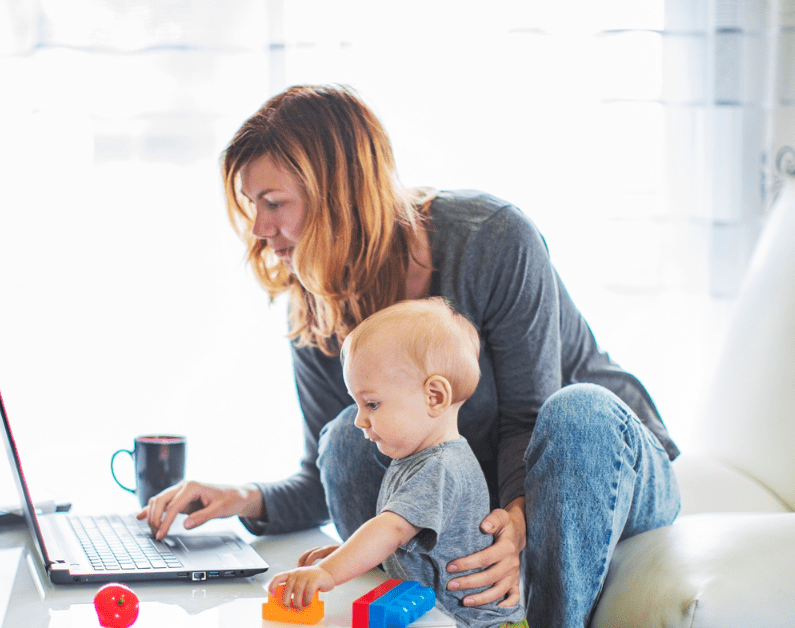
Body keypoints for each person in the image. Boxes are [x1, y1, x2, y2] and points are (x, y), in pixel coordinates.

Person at [139, 84, 681, 628]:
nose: (258, 228)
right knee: (346, 438)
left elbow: (530, 419)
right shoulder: (318, 300)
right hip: (474, 489)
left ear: (339, 192)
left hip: (596, 460)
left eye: (274, 202)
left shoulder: (491, 238)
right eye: (252, 204)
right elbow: (323, 473)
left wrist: (517, 519)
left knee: (577, 411)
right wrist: (239, 498)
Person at [268, 297, 529, 628]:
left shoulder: (443, 467)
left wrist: (328, 572)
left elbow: (391, 529)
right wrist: (344, 557)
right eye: (358, 404)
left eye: (372, 404)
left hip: (477, 624)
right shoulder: (416, 458)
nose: (360, 420)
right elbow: (409, 548)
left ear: (435, 397)